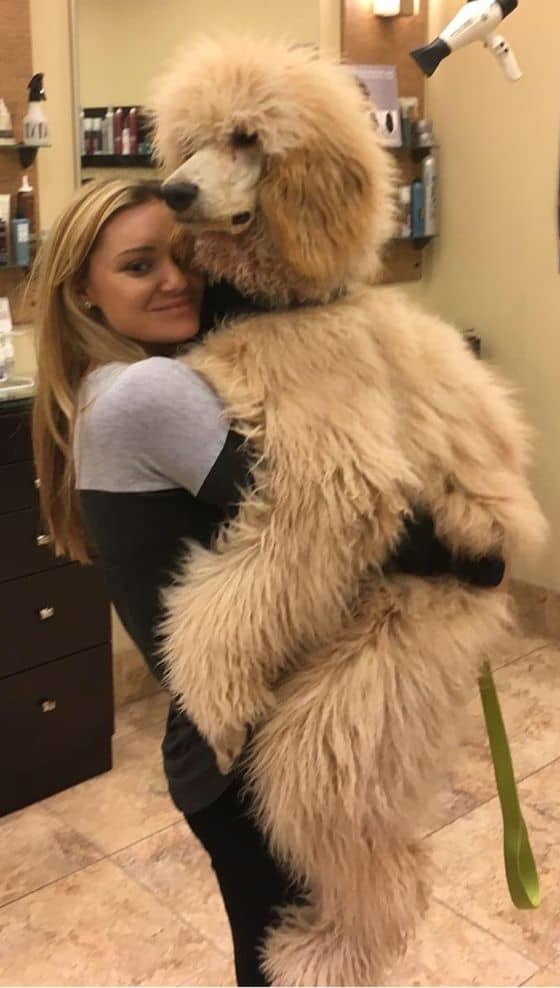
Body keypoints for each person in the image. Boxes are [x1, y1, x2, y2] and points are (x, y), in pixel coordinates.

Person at [32, 178, 504, 987]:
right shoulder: (151, 393)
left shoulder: (122, 385)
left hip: (238, 737)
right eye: (139, 267)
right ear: (85, 289)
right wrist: (477, 550)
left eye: (183, 257)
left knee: (279, 949)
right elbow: (356, 518)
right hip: (253, 753)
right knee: (297, 962)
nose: (175, 281)